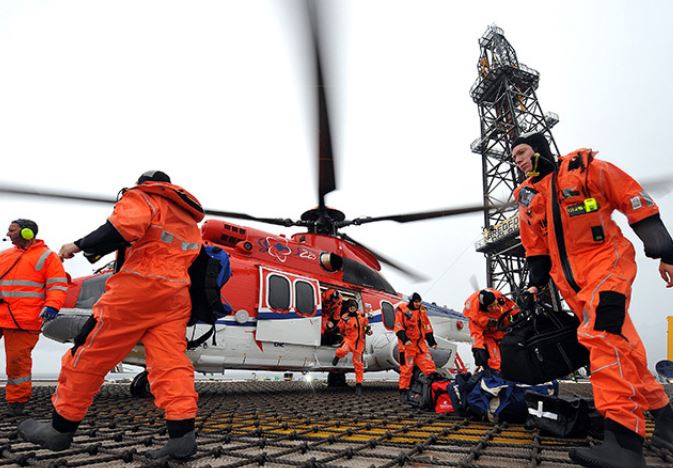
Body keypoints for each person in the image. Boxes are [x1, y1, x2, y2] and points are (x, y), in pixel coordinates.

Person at [18, 170, 205, 460]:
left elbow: (122, 229)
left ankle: (60, 429)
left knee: (88, 354)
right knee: (170, 364)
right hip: (175, 296)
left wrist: (77, 246)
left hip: (138, 289)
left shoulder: (145, 197)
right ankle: (182, 436)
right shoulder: (189, 222)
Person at [512, 132, 673, 468]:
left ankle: (624, 442)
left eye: (523, 152)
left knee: (600, 336)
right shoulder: (528, 201)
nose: (518, 161)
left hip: (607, 265)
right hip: (573, 285)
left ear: (540, 150)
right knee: (622, 348)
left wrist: (664, 250)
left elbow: (632, 197)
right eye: (514, 158)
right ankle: (667, 422)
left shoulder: (586, 171)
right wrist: (533, 286)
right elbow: (535, 247)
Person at [0, 219, 68, 416]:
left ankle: (16, 403)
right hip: (3, 314)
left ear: (28, 233)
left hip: (23, 319)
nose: (8, 233)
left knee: (17, 362)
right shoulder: (5, 255)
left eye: (12, 230)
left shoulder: (47, 257)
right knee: (17, 361)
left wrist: (52, 306)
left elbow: (57, 285)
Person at [394, 292, 438, 400]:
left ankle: (432, 390)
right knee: (406, 370)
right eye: (416, 302)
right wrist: (405, 340)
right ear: (411, 301)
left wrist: (432, 341)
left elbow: (427, 327)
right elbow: (398, 327)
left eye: (419, 302)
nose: (417, 304)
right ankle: (403, 391)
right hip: (407, 346)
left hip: (420, 345)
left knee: (429, 366)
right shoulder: (403, 311)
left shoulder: (422, 311)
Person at [463, 288, 518, 371]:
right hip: (489, 336)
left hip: (506, 330)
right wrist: (478, 348)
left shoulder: (499, 297)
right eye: (491, 306)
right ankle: (497, 375)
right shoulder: (475, 316)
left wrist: (517, 315)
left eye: (495, 304)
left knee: (515, 351)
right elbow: (475, 334)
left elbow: (511, 307)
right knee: (494, 360)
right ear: (485, 307)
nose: (494, 307)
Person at [331, 299, 371, 395]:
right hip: (349, 340)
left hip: (359, 344)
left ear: (356, 308)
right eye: (350, 307)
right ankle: (337, 356)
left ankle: (359, 385)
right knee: (342, 351)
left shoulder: (362, 317)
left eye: (354, 307)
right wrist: (334, 330)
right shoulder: (345, 318)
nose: (352, 308)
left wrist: (368, 331)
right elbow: (340, 327)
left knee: (358, 365)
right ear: (348, 308)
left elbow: (367, 327)